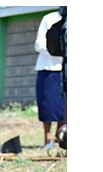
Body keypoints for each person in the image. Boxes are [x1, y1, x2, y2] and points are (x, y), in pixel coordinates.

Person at [35, 7, 66, 149]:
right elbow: (39, 44)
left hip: (67, 70)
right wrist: (60, 52)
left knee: (64, 106)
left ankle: (59, 138)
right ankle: (47, 139)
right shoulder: (49, 19)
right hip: (49, 68)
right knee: (48, 105)